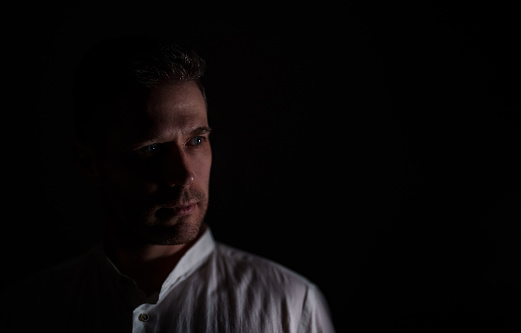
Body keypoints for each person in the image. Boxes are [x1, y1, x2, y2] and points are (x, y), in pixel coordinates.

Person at [4, 36, 335, 333]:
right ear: (89, 163)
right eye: (151, 149)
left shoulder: (291, 306)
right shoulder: (32, 309)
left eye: (196, 140)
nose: (184, 175)